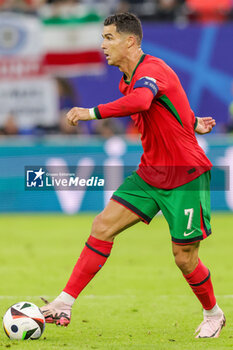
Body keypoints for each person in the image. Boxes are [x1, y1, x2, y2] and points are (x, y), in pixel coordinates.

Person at [40, 12, 225, 338]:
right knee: (102, 226)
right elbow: (166, 104)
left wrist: (90, 112)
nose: (103, 44)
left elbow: (142, 101)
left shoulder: (150, 71)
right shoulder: (128, 79)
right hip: (150, 174)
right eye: (103, 37)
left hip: (186, 176)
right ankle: (64, 303)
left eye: (109, 38)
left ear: (130, 41)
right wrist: (193, 121)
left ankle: (213, 314)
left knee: (184, 258)